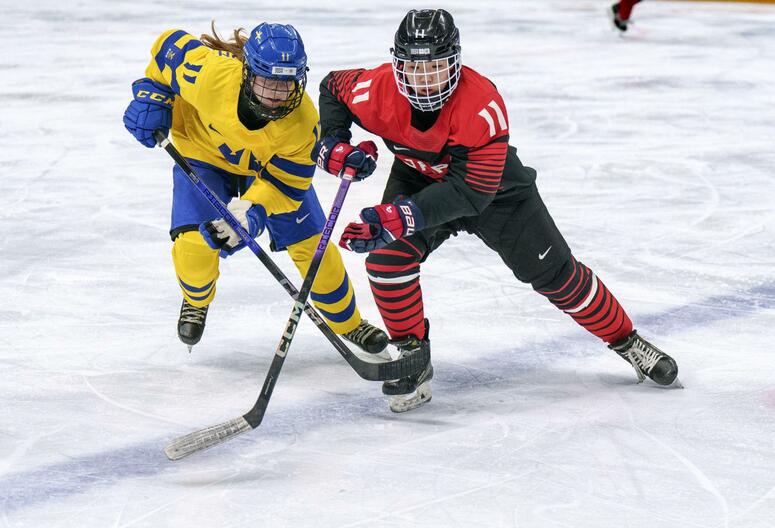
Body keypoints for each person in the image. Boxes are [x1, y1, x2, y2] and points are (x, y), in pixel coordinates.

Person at [313, 9, 678, 412]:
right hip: (418, 178)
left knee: (557, 277)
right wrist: (333, 143)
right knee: (386, 258)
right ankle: (412, 358)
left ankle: (627, 340)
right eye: (415, 68)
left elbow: (470, 193)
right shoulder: (374, 89)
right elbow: (333, 87)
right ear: (398, 66)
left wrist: (400, 217)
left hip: (496, 191)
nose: (425, 79)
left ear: (455, 62)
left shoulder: (481, 104)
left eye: (435, 67)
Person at [122, 22, 387, 354]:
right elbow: (167, 47)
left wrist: (249, 215)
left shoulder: (303, 124)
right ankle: (196, 300)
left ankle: (349, 323)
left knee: (312, 247)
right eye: (267, 82)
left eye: (287, 84)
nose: (277, 95)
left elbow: (287, 185)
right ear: (248, 73)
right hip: (202, 156)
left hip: (265, 172)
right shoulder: (211, 76)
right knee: (193, 246)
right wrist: (152, 95)